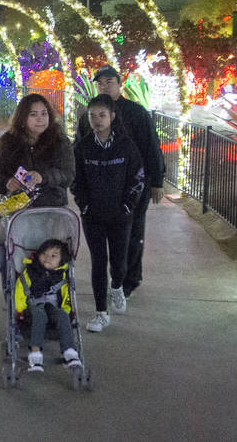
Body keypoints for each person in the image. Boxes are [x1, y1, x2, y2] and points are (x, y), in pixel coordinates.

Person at [77, 65, 165, 301]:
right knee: (108, 241)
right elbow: (79, 149)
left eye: (109, 82)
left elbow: (150, 147)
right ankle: (115, 280)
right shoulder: (90, 115)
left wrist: (157, 180)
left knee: (133, 234)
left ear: (119, 83)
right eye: (100, 83)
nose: (104, 86)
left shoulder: (136, 113)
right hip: (100, 189)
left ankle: (129, 280)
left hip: (133, 187)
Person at [0, 93, 75, 282]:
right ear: (22, 118)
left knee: (50, 264)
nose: (40, 119)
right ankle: (15, 299)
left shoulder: (60, 142)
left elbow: (68, 176)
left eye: (44, 113)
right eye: (33, 114)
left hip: (51, 215)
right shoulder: (8, 143)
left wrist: (44, 177)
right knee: (12, 263)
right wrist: (6, 182)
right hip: (18, 215)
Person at [72, 94, 145, 333]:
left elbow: (137, 178)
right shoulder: (82, 147)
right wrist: (83, 205)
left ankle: (117, 287)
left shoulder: (126, 146)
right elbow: (76, 181)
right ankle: (101, 313)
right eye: (92, 115)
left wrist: (127, 206)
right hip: (92, 216)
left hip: (120, 217)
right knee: (98, 262)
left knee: (119, 262)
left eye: (102, 115)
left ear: (112, 116)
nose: (97, 120)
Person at [13, 239, 81, 372]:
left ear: (62, 260)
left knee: (62, 314)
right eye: (44, 253)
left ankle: (69, 351)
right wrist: (19, 309)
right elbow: (20, 289)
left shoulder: (61, 275)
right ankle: (35, 352)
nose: (47, 258)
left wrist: (67, 310)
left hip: (53, 307)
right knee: (39, 314)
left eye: (53, 255)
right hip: (32, 307)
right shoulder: (30, 271)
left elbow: (66, 295)